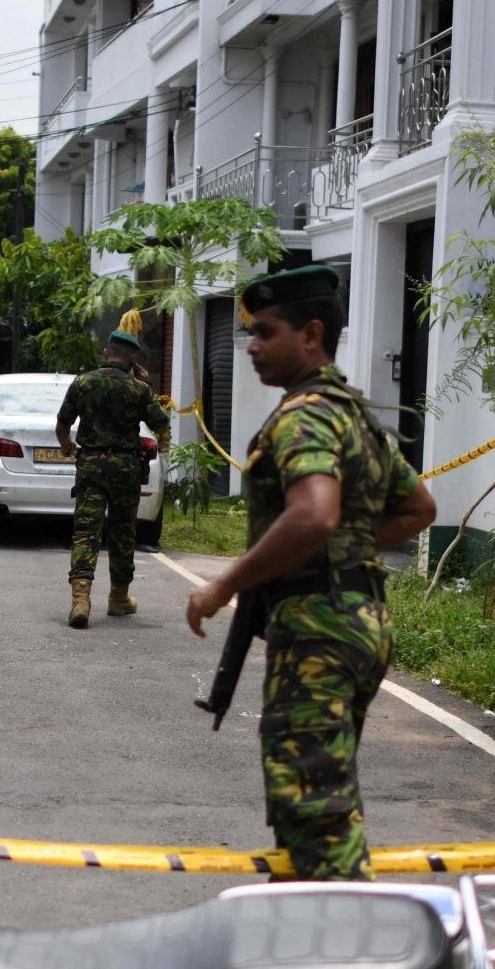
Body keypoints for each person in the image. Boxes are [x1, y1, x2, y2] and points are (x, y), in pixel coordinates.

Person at [181, 263, 437, 880]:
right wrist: (343, 548)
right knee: (316, 794)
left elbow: (314, 515)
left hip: (319, 630)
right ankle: (304, 929)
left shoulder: (306, 416)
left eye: (266, 332)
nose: (251, 345)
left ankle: (347, 954)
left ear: (312, 335)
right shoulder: (354, 414)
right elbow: (417, 507)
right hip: (359, 621)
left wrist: (225, 583)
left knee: (315, 810)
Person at [55, 323, 171, 629]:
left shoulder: (83, 383)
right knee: (122, 533)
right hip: (125, 470)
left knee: (85, 531)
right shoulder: (139, 389)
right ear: (132, 360)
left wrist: (67, 445)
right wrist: (147, 386)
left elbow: (63, 422)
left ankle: (80, 600)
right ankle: (118, 598)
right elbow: (161, 423)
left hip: (91, 466)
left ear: (107, 353)